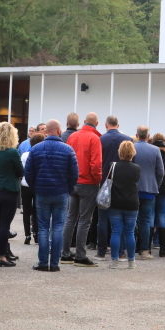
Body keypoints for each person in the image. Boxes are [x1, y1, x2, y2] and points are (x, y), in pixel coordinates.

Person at [25, 119, 79, 272]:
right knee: (58, 227)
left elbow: (28, 172)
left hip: (42, 192)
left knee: (43, 227)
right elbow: (74, 174)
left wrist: (35, 188)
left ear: (46, 131)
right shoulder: (68, 150)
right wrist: (68, 189)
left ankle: (43, 262)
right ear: (59, 131)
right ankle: (54, 263)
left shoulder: (35, 149)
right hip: (61, 192)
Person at [62, 113, 102, 267]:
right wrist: (97, 181)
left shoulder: (73, 137)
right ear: (96, 123)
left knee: (70, 218)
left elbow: (67, 159)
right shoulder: (94, 138)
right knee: (84, 221)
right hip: (88, 183)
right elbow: (96, 164)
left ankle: (65, 253)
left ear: (84, 122)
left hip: (73, 182)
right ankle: (80, 255)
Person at [0, 122, 25, 267]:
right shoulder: (13, 152)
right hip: (9, 189)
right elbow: (20, 172)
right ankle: (2, 256)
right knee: (4, 224)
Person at [96, 116, 132, 260]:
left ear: (106, 125)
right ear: (118, 125)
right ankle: (121, 251)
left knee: (102, 219)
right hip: (122, 184)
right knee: (120, 220)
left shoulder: (100, 140)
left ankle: (101, 251)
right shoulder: (127, 139)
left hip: (104, 184)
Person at [106, 140, 141, 269]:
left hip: (115, 202)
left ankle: (114, 261)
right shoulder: (137, 168)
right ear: (133, 153)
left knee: (116, 231)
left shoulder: (113, 166)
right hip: (132, 203)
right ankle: (131, 261)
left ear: (120, 152)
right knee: (130, 232)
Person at [132, 125, 164, 260]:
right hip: (149, 190)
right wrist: (156, 185)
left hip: (133, 190)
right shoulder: (155, 150)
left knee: (132, 219)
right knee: (145, 220)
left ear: (137, 135)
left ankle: (130, 249)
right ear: (148, 136)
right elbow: (160, 172)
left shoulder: (132, 148)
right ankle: (145, 250)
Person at [20, 133, 45, 244]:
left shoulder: (25, 155)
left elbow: (22, 169)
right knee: (36, 210)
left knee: (26, 211)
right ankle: (36, 233)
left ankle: (27, 235)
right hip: (38, 185)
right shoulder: (43, 154)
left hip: (25, 184)